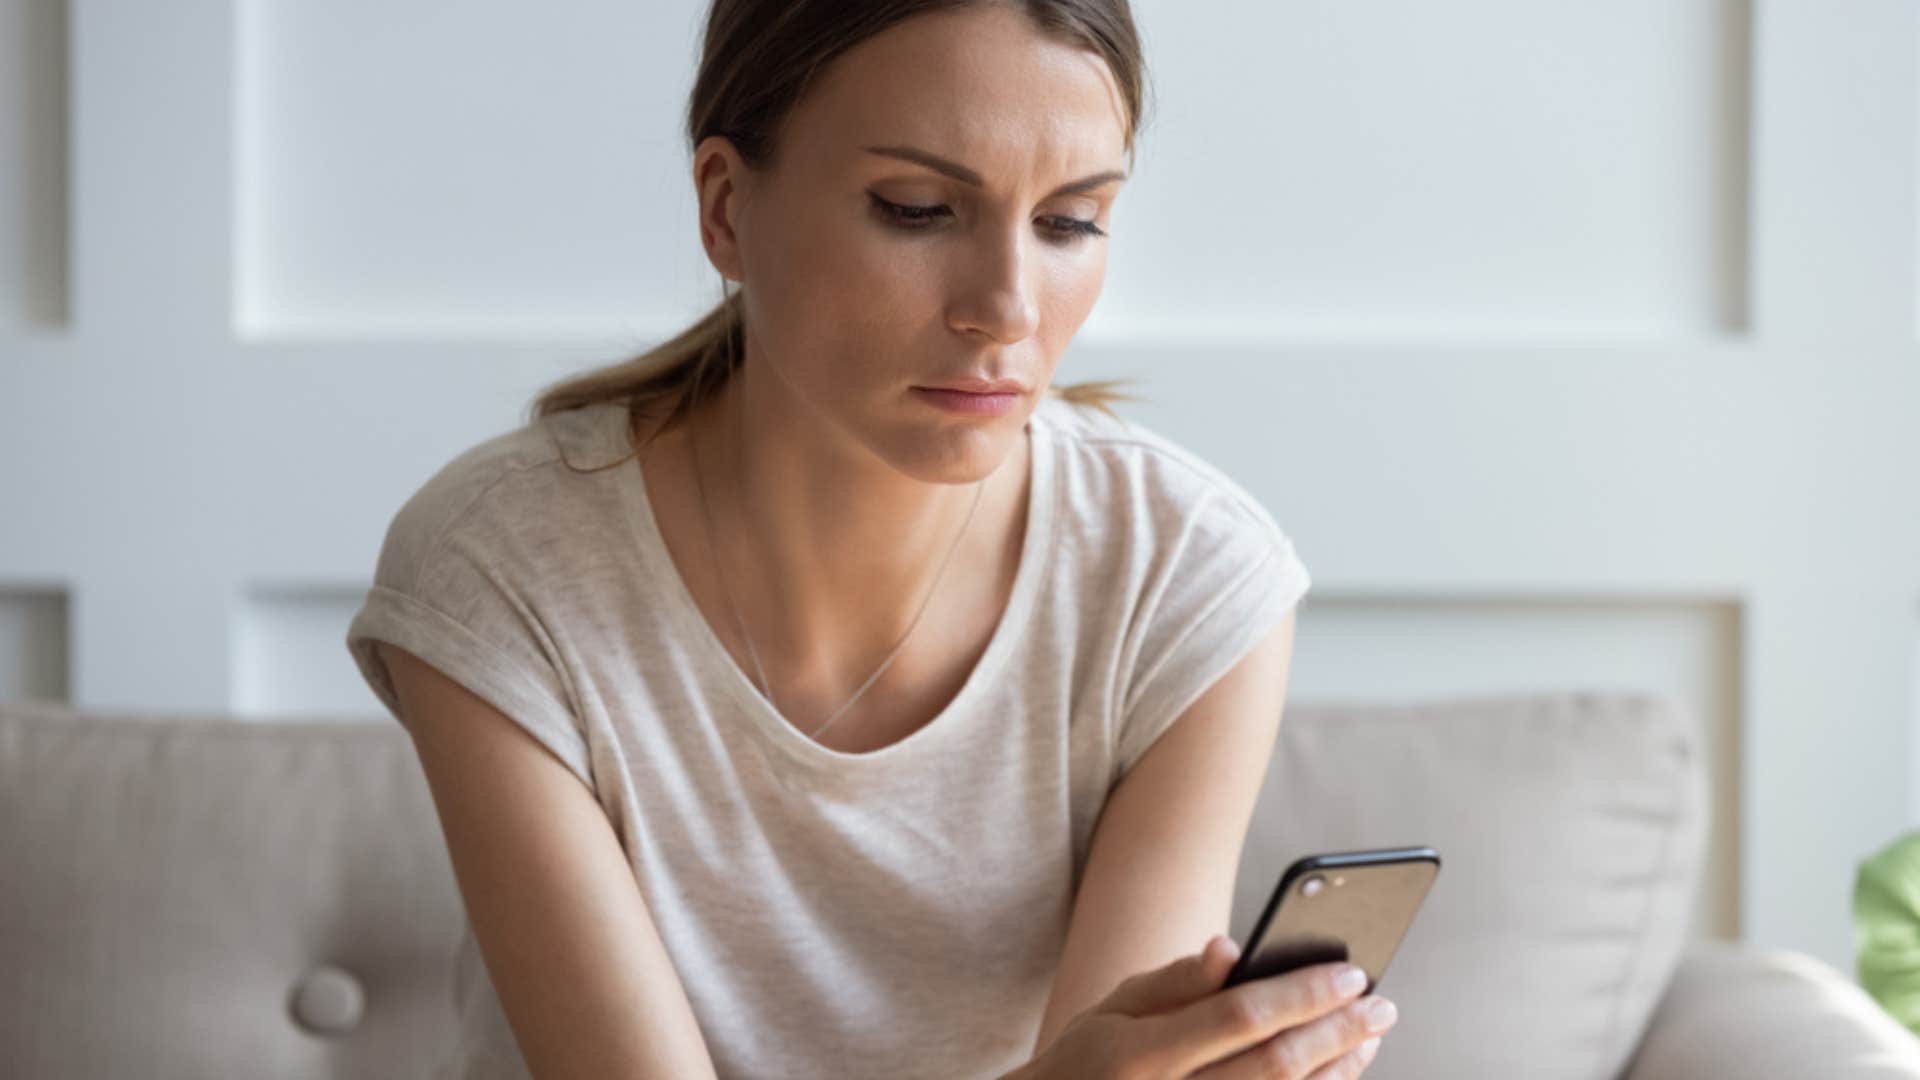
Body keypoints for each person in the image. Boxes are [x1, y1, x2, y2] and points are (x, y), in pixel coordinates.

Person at [346, 1, 1392, 1077]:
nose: (1007, 309)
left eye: (1070, 223)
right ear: (724, 208)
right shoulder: (503, 566)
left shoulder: (1184, 576)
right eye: (918, 209)